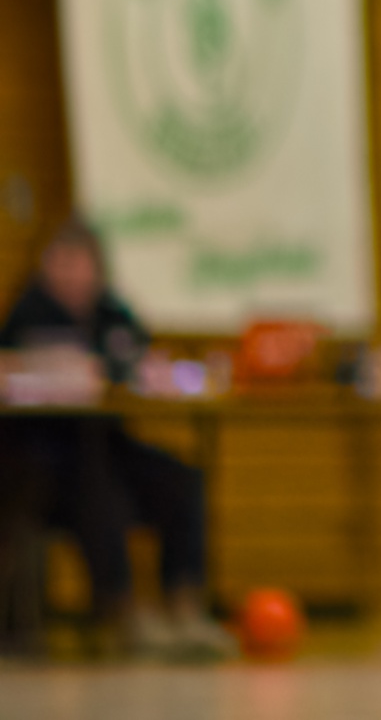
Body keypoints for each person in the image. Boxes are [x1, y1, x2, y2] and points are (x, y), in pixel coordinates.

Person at [0, 218, 230, 659]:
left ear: (96, 269)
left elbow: (142, 362)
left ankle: (185, 607)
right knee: (99, 491)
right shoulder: (28, 314)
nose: (70, 274)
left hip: (109, 442)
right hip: (47, 456)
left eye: (79, 263)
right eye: (61, 263)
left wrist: (155, 374)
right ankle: (119, 613)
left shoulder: (112, 313)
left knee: (181, 481)